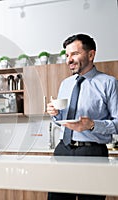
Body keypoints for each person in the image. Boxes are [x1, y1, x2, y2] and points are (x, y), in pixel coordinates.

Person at [46, 34, 118, 200]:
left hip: (92, 152)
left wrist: (92, 125)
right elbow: (61, 119)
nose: (69, 60)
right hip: (63, 150)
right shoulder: (65, 84)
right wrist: (55, 114)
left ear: (91, 55)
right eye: (67, 55)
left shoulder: (109, 83)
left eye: (74, 54)